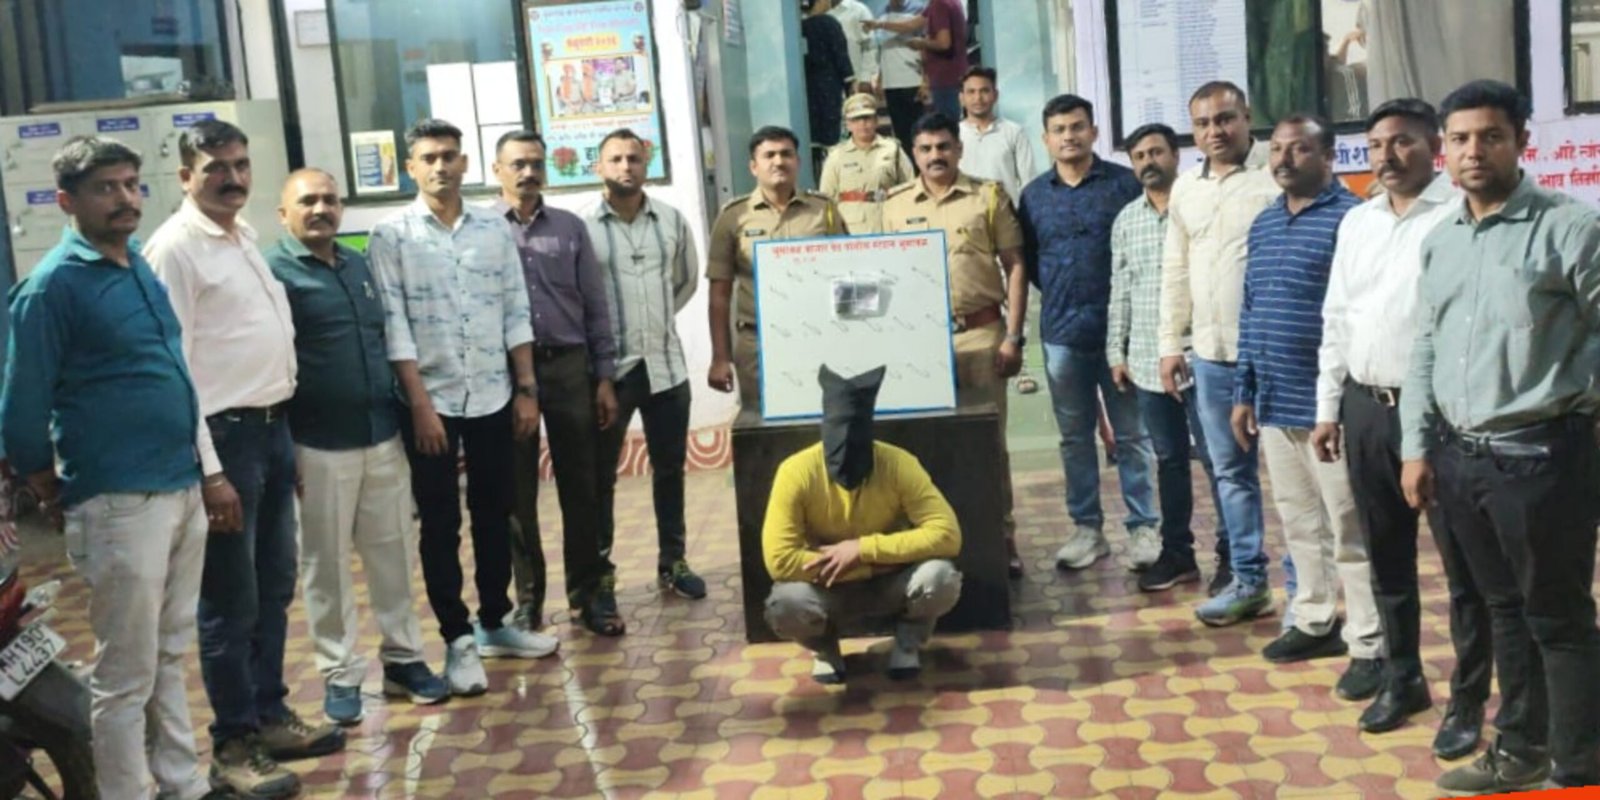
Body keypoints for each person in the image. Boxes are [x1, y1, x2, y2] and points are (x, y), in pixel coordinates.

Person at [1, 135, 222, 800]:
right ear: (66, 201)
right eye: (106, 188)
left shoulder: (137, 267)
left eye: (130, 184)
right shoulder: (51, 288)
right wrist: (44, 481)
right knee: (125, 673)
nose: (125, 198)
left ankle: (181, 782)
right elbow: (21, 405)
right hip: (119, 498)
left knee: (167, 652)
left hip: (179, 484)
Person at [1400, 80, 1600, 795]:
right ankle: (1520, 749)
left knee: (1559, 618)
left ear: (1521, 142)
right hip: (1461, 462)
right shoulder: (1441, 242)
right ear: (1443, 150)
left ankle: (1579, 768)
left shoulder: (1570, 228)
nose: (1473, 151)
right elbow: (1425, 348)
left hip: (1543, 458)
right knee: (1504, 612)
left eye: (1490, 136)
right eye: (1460, 139)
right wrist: (1416, 447)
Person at [144, 119, 343, 796]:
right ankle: (233, 745)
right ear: (185, 177)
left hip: (270, 431)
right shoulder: (176, 249)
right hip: (224, 442)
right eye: (215, 168)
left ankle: (268, 715)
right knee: (229, 602)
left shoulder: (242, 235)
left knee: (273, 586)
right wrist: (210, 471)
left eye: (239, 164)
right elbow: (173, 369)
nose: (231, 178)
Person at [1311, 98, 1488, 756]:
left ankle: (1468, 700)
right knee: (1386, 556)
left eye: (1403, 142)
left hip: (1439, 416)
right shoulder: (1357, 221)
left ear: (1435, 146)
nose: (1386, 155)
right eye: (1376, 144)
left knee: (1465, 568)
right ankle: (1403, 676)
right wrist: (1328, 407)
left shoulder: (1458, 216)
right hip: (1364, 408)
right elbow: (1337, 316)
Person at [368, 119, 549, 698]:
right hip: (431, 401)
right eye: (428, 158)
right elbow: (394, 325)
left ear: (465, 163)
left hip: (494, 392)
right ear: (410, 167)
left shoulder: (492, 229)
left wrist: (526, 389)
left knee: (497, 511)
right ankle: (457, 637)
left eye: (449, 155)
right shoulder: (391, 235)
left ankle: (494, 621)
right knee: (441, 521)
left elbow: (515, 309)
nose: (440, 166)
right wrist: (420, 405)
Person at [265, 168, 448, 727]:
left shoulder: (357, 264)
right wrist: (285, 446)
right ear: (283, 214)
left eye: (329, 200)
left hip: (382, 435)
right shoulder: (274, 273)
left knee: (393, 554)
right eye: (307, 201)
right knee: (325, 566)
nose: (321, 209)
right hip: (317, 445)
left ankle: (404, 659)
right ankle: (340, 673)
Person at [1228, 116, 1380, 693]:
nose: (1284, 159)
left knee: (1350, 529)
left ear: (1329, 156)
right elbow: (1251, 310)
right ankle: (1315, 619)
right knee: (1298, 522)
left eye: (1299, 149)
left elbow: (1357, 318)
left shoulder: (1354, 220)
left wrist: (1335, 407)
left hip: (1330, 409)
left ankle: (1370, 642)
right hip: (1274, 401)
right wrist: (1244, 391)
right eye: (1276, 149)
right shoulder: (1265, 222)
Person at [1156, 82, 1283, 627]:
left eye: (1225, 118)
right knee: (1230, 473)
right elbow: (1176, 269)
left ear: (1247, 116)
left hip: (1277, 354)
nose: (1215, 131)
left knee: (1300, 475)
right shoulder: (1187, 188)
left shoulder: (1276, 174)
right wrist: (1170, 343)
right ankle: (1249, 580)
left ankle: (1311, 586)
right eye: (1203, 123)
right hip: (1211, 356)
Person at [881, 112, 1027, 577]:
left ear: (959, 150)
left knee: (988, 445)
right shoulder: (894, 206)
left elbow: (1015, 265)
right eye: (925, 149)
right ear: (913, 154)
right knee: (921, 445)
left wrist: (1013, 336)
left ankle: (1001, 536)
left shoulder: (987, 196)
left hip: (982, 337)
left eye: (944, 146)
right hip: (918, 344)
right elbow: (883, 276)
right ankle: (927, 541)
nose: (935, 156)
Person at [490, 129, 623, 640]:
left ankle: (587, 595)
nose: (528, 173)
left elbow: (595, 305)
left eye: (536, 164)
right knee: (516, 494)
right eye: (518, 164)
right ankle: (528, 601)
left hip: (570, 368)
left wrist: (604, 377)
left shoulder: (570, 228)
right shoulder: (484, 229)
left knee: (582, 487)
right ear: (497, 171)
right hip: (508, 374)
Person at [1016, 95, 1157, 574]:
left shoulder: (1124, 185)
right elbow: (1032, 262)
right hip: (1062, 334)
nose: (1069, 136)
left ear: (1094, 132)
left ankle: (1143, 528)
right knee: (1075, 438)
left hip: (1121, 335)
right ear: (1046, 139)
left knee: (1132, 435)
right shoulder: (1034, 196)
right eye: (1059, 129)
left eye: (1077, 127)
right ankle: (1087, 530)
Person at [763, 365, 962, 683]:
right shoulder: (795, 472)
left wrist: (863, 550)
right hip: (827, 586)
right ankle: (824, 648)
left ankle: (908, 642)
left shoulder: (898, 464)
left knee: (940, 578)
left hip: (889, 583)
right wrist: (861, 565)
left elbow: (947, 533)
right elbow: (779, 559)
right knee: (785, 604)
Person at [1105, 123, 1233, 595]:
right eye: (1139, 156)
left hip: (1202, 356)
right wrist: (1115, 351)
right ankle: (1178, 553)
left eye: (1156, 152)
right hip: (1146, 359)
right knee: (1169, 460)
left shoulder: (1199, 205)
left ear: (1176, 155)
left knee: (1218, 460)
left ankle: (1233, 556)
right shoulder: (1126, 220)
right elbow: (1121, 290)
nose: (1148, 162)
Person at [584, 129, 708, 603]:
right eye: (615, 159)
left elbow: (686, 280)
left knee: (670, 469)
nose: (625, 167)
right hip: (610, 375)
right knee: (601, 477)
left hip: (666, 367)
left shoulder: (671, 220)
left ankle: (673, 561)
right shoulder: (584, 228)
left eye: (633, 158)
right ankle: (600, 573)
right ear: (599, 167)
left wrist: (653, 321)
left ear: (646, 163)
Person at [706, 126, 847, 410]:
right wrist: (720, 357)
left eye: (786, 154)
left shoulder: (824, 210)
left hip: (817, 336)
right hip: (757, 343)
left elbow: (846, 275)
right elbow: (719, 295)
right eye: (769, 155)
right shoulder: (734, 216)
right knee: (762, 423)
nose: (779, 161)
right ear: (753, 166)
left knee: (823, 419)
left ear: (798, 161)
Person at [820, 93, 914, 234]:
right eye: (856, 120)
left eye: (867, 118)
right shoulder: (836, 156)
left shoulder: (893, 149)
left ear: (876, 121)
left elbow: (909, 187)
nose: (862, 124)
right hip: (851, 230)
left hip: (889, 224)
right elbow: (827, 197)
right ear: (848, 125)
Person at [867, 0, 966, 121]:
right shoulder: (941, 4)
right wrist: (879, 24)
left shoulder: (940, 4)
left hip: (945, 76)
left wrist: (921, 43)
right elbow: (909, 26)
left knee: (946, 124)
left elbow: (944, 43)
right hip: (946, 76)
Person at [957, 66, 1034, 207]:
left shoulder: (1014, 132)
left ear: (995, 95)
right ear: (961, 98)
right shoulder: (954, 135)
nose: (978, 98)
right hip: (965, 214)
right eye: (971, 92)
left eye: (984, 91)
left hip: (1006, 215)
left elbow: (1029, 182)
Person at [874, 0, 928, 161]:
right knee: (900, 132)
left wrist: (926, 79)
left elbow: (925, 46)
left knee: (918, 131)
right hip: (891, 81)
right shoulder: (882, 12)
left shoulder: (918, 10)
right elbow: (882, 48)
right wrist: (880, 78)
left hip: (912, 78)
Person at [801, 0, 854, 148]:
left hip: (809, 84)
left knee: (814, 129)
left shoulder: (800, 26)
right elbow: (840, 54)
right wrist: (850, 80)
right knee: (831, 127)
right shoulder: (829, 23)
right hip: (829, 83)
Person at [827, 0, 878, 94]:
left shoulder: (859, 10)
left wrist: (865, 79)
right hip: (826, 82)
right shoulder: (815, 11)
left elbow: (869, 46)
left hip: (855, 81)